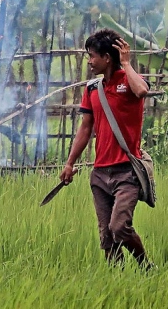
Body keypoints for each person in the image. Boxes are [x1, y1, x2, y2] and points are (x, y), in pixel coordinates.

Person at [59, 29, 153, 267]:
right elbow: (85, 128)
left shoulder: (129, 82)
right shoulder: (92, 89)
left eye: (92, 56)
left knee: (119, 227)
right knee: (107, 237)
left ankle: (146, 267)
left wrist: (127, 64)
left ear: (107, 58)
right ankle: (116, 280)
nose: (89, 61)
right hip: (100, 173)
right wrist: (70, 162)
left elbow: (142, 91)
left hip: (126, 172)